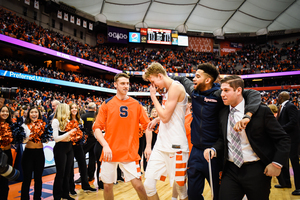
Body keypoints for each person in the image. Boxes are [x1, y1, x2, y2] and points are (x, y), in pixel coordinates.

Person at [173, 63, 261, 200]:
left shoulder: (220, 94)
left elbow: (253, 93)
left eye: (197, 76)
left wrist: (248, 114)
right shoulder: (194, 92)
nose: (193, 79)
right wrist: (167, 78)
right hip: (196, 151)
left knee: (219, 194)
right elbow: (183, 80)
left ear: (208, 80)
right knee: (193, 194)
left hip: (215, 151)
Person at [204, 75, 291, 200]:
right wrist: (214, 149)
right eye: (221, 90)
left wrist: (277, 164)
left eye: (226, 90)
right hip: (230, 169)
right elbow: (223, 139)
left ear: (238, 90)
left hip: (256, 170)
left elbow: (283, 139)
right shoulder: (223, 112)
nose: (221, 94)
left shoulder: (261, 111)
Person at [93, 73, 150, 200]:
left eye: (127, 84)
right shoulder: (107, 104)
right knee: (107, 186)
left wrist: (149, 146)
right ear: (115, 85)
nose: (126, 86)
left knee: (138, 185)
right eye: (123, 83)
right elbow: (97, 128)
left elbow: (148, 126)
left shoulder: (136, 104)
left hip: (129, 151)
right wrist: (105, 145)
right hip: (110, 152)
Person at [143, 62, 189, 200]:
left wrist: (153, 97)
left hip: (177, 145)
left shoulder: (176, 87)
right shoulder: (168, 90)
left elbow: (166, 117)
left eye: (153, 81)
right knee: (148, 184)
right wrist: (157, 120)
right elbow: (168, 114)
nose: (153, 85)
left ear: (159, 76)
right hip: (161, 144)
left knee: (181, 189)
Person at [68, 103, 96, 196]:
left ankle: (85, 185)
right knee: (70, 167)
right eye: (72, 108)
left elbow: (82, 130)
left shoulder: (80, 119)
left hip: (79, 145)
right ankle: (71, 188)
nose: (74, 109)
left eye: (76, 107)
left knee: (83, 164)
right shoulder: (67, 119)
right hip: (70, 145)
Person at [275, 91, 300, 195]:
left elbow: (293, 122)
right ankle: (286, 183)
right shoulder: (283, 107)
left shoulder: (290, 106)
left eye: (278, 97)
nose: (277, 98)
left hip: (292, 139)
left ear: (281, 97)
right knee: (284, 161)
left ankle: (299, 187)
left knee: (294, 163)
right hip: (285, 139)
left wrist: (280, 129)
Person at [52, 103, 77, 200]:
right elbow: (56, 139)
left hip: (69, 147)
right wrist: (69, 133)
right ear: (63, 110)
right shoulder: (55, 121)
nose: (69, 111)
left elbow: (70, 137)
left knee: (68, 173)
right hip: (60, 149)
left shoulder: (68, 120)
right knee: (60, 173)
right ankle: (57, 196)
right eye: (68, 109)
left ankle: (65, 194)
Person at [21, 107, 45, 200]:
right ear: (29, 114)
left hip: (39, 154)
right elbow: (22, 141)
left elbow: (47, 139)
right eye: (32, 112)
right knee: (27, 179)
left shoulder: (43, 125)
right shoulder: (24, 126)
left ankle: (37, 198)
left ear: (38, 114)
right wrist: (27, 138)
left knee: (38, 178)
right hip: (28, 154)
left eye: (36, 112)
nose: (34, 114)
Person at [172, 96, 193, 200]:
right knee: (178, 179)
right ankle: (173, 198)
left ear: (189, 105)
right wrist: (174, 148)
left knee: (189, 182)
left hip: (191, 154)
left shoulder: (193, 118)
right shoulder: (177, 119)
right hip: (179, 154)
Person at [77, 102, 97, 183]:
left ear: (87, 108)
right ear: (95, 108)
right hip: (95, 139)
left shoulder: (83, 116)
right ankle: (91, 175)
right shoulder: (97, 116)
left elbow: (80, 128)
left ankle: (83, 176)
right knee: (92, 158)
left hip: (86, 140)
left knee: (81, 158)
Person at [0, 106, 13, 200]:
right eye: (2, 111)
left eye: (7, 111)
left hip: (7, 154)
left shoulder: (11, 125)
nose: (5, 113)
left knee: (5, 181)